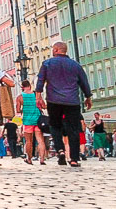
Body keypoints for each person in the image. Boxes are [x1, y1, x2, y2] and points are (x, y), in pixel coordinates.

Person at [35, 40, 92, 168]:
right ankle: (74, 159)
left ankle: (60, 151)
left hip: (53, 100)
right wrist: (88, 97)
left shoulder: (47, 64)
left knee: (55, 126)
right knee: (73, 129)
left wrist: (38, 97)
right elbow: (84, 82)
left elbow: (40, 81)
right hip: (72, 101)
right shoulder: (75, 65)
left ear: (55, 50)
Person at [19, 83, 48, 165]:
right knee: (40, 141)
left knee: (28, 141)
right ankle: (42, 159)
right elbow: (44, 106)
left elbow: (18, 110)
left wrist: (24, 109)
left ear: (22, 87)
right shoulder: (36, 95)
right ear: (30, 86)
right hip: (38, 120)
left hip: (27, 121)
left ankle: (29, 159)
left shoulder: (20, 97)